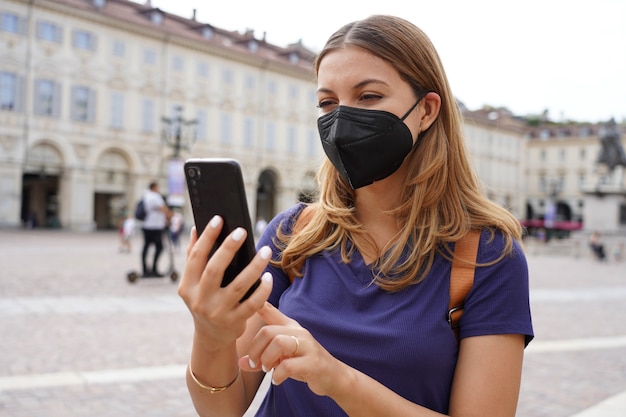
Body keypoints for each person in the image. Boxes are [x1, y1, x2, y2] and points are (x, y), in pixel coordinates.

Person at [178, 15, 533, 417]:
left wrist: (335, 378)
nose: (342, 119)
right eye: (328, 102)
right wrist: (211, 336)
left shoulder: (487, 256)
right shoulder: (293, 235)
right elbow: (223, 409)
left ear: (427, 111)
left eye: (368, 97)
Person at [140, 181, 172, 277]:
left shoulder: (145, 196)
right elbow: (163, 209)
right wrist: (169, 217)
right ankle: (153, 269)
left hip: (146, 225)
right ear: (154, 187)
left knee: (146, 247)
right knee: (159, 247)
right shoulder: (154, 197)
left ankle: (146, 269)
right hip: (155, 226)